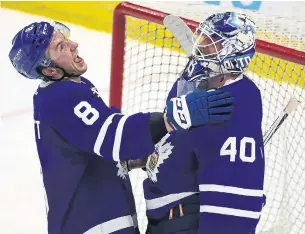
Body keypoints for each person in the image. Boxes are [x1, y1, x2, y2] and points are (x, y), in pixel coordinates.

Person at [8, 21, 235, 234]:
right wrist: (173, 118)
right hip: (95, 225)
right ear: (49, 71)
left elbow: (86, 146)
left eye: (66, 38)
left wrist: (133, 158)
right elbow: (114, 138)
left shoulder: (62, 90)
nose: (73, 44)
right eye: (61, 46)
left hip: (95, 220)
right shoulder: (62, 97)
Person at [139, 12, 265, 234]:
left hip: (185, 221)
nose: (202, 45)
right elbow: (176, 132)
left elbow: (234, 184)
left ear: (232, 52)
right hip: (162, 217)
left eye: (212, 42)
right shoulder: (196, 79)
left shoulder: (237, 99)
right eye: (204, 38)